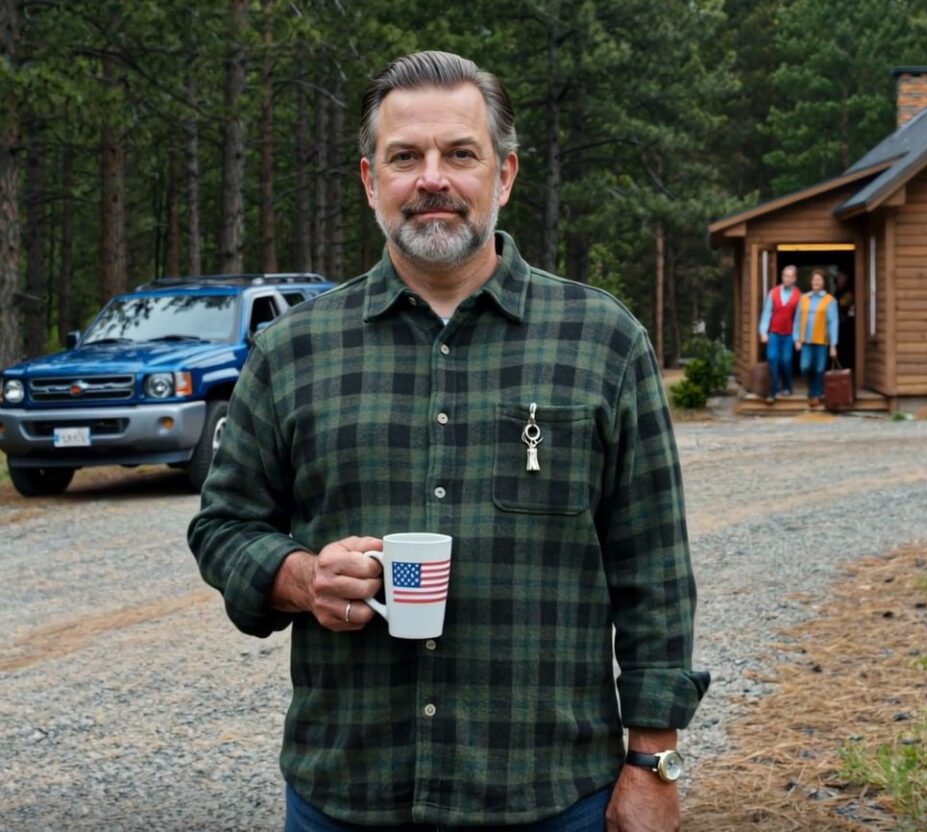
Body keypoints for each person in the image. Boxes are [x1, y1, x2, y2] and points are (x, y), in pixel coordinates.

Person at [187, 50, 708, 832]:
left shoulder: (602, 341)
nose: (432, 178)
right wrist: (299, 577)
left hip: (551, 796)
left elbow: (653, 571)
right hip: (346, 794)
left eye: (460, 154)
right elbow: (223, 526)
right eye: (405, 157)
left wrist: (653, 763)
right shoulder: (293, 350)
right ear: (370, 181)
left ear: (504, 175)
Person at [794, 269, 838, 407]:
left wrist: (833, 345)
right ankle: (812, 388)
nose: (816, 282)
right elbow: (797, 320)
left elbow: (833, 323)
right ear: (811, 281)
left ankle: (815, 395)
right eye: (814, 279)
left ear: (823, 282)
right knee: (805, 367)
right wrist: (796, 339)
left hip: (821, 341)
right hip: (805, 340)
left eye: (819, 279)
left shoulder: (830, 300)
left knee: (819, 370)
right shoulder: (803, 298)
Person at [758, 264, 801, 404]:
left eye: (790, 276)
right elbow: (766, 314)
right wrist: (763, 332)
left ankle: (787, 387)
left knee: (786, 361)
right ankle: (774, 389)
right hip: (774, 333)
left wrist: (797, 339)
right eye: (785, 276)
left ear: (794, 279)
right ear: (782, 277)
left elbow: (798, 319)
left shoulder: (798, 295)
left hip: (788, 334)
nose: (787, 279)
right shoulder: (773, 293)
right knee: (772, 358)